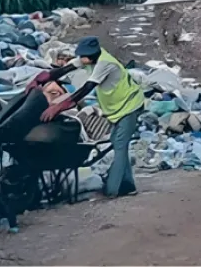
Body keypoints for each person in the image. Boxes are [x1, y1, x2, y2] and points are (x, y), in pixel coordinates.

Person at [25, 36, 144, 198]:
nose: (82, 59)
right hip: (118, 108)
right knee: (118, 142)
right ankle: (128, 186)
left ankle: (112, 190)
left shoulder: (105, 63)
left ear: (94, 54)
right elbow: (63, 70)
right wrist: (39, 79)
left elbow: (87, 88)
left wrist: (59, 107)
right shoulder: (89, 59)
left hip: (130, 104)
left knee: (120, 145)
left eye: (85, 56)